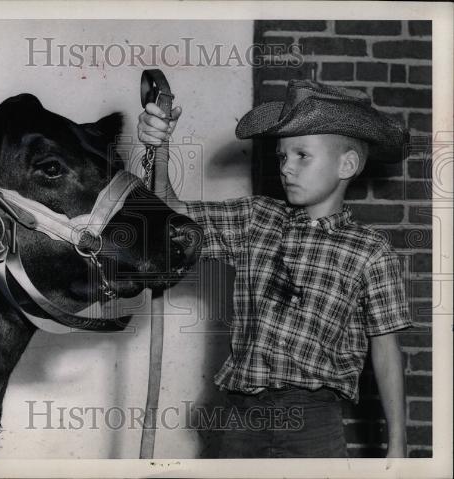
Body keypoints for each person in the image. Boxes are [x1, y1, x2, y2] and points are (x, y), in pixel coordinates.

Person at [137, 79, 413, 458]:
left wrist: (397, 446)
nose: (287, 168)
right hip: (242, 417)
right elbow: (170, 217)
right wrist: (160, 147)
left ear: (346, 164)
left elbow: (386, 350)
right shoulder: (256, 219)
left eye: (303, 155)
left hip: (314, 421)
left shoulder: (370, 250)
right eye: (282, 157)